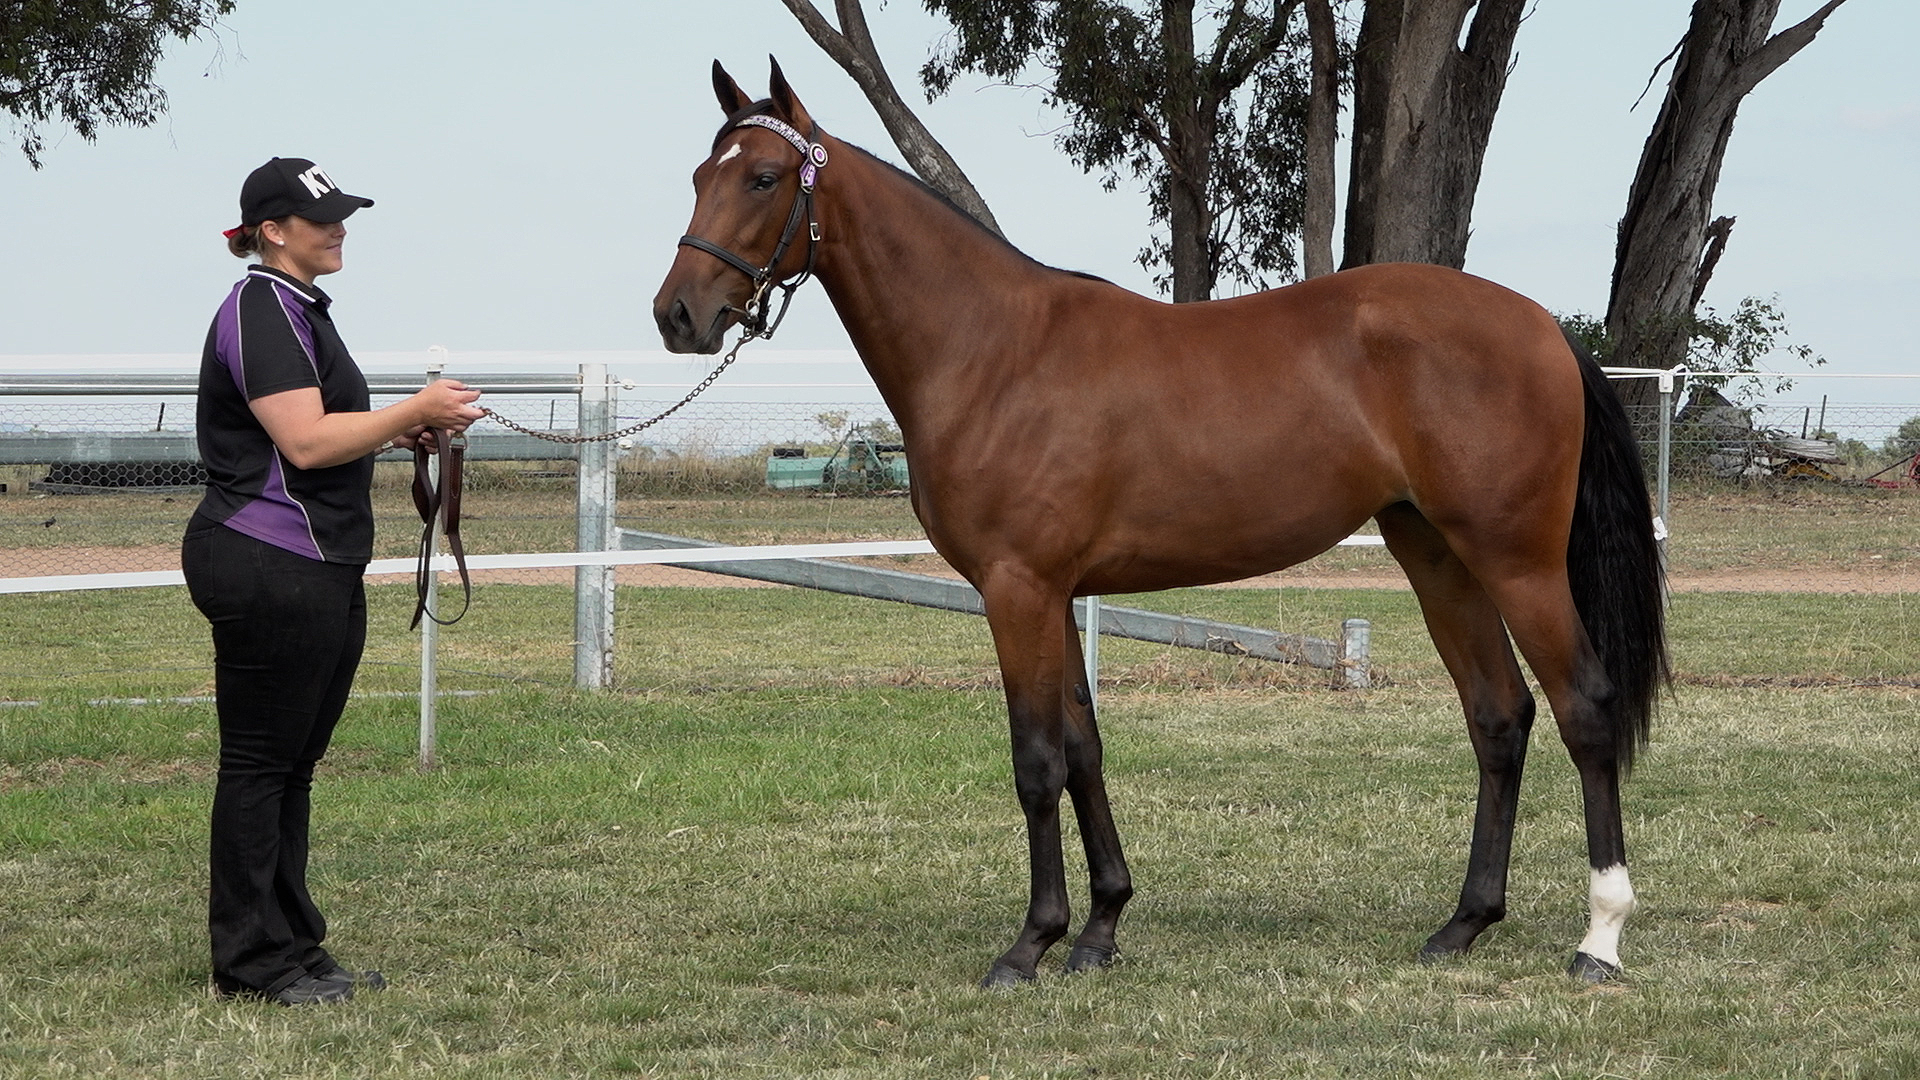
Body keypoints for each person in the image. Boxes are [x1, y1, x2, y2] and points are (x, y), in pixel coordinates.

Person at [184, 156, 485, 1005]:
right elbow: (306, 442)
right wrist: (415, 410)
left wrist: (396, 433)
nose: (340, 228)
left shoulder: (296, 309)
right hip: (270, 557)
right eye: (323, 218)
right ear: (273, 231)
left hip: (310, 559)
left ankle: (291, 946)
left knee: (291, 765)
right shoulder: (261, 309)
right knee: (261, 765)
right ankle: (253, 963)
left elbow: (321, 429)